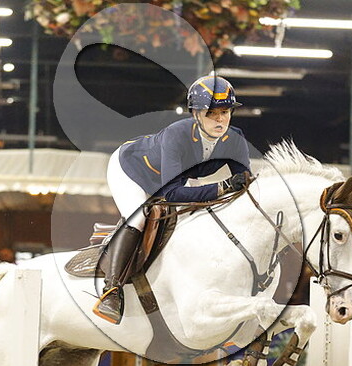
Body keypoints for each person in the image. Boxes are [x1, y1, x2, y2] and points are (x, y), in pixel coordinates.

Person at [93, 74, 252, 324]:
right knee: (138, 219)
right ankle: (111, 291)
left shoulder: (235, 139)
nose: (220, 119)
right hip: (132, 171)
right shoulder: (177, 134)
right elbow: (171, 194)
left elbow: (245, 185)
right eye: (211, 113)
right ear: (196, 114)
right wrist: (221, 187)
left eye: (225, 111)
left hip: (173, 179)